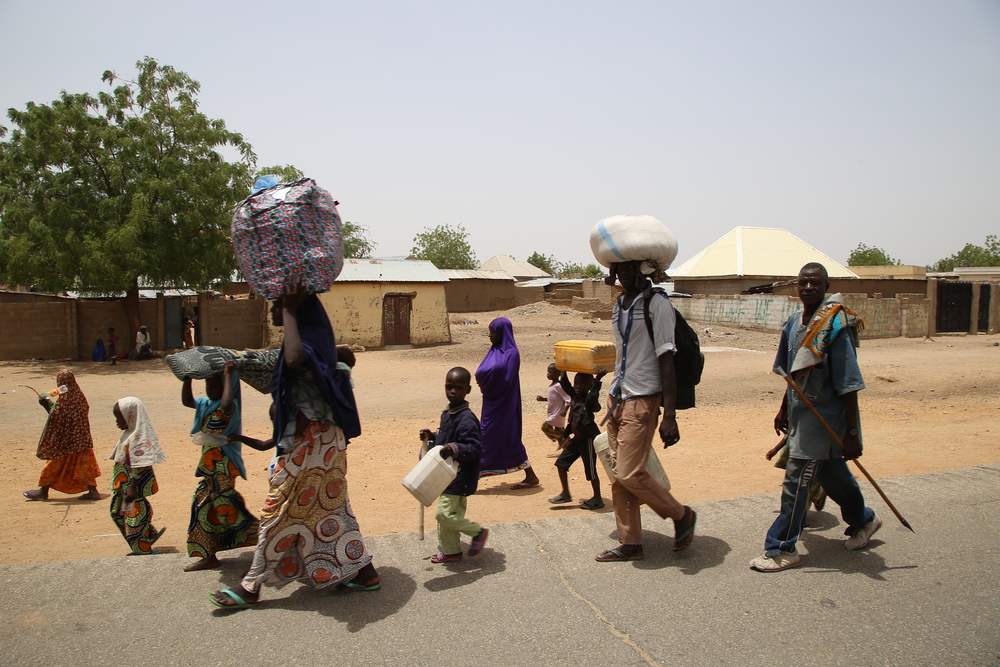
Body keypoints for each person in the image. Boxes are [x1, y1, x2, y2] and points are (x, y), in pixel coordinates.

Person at [209, 284, 378, 609]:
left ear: (298, 308)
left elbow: (294, 357)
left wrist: (289, 307)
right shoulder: (309, 336)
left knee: (278, 510)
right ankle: (366, 572)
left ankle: (251, 585)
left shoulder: (304, 338)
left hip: (313, 442)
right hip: (322, 440)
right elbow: (283, 368)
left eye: (277, 305)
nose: (273, 310)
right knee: (332, 509)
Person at [750, 262, 880, 572]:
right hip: (801, 417)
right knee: (831, 475)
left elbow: (849, 383)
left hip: (825, 421)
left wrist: (851, 433)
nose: (808, 288)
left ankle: (781, 548)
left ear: (825, 286)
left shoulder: (835, 325)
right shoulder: (794, 323)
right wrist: (784, 408)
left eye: (815, 283)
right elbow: (793, 375)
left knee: (796, 482)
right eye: (803, 283)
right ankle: (865, 520)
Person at [596, 260, 695, 562]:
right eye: (619, 269)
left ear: (645, 271)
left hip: (644, 397)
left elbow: (667, 358)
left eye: (631, 268)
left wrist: (670, 415)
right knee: (618, 475)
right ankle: (630, 542)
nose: (624, 274)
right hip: (618, 395)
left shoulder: (657, 304)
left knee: (628, 471)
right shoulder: (618, 305)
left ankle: (681, 515)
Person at [181, 360, 259, 571]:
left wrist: (227, 375)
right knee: (202, 507)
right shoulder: (206, 405)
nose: (209, 389)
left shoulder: (230, 406)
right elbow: (187, 401)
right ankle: (208, 555)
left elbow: (226, 404)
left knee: (227, 507)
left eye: (214, 385)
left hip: (224, 467)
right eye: (207, 385)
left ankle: (269, 538)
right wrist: (186, 378)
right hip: (209, 469)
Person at [419, 367, 489, 563]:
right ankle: (451, 552)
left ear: (468, 390)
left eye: (458, 388)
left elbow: (474, 447)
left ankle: (477, 532)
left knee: (444, 514)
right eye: (449, 387)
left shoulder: (466, 419)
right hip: (446, 476)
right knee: (448, 517)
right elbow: (444, 439)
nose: (453, 391)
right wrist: (432, 437)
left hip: (460, 477)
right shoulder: (448, 414)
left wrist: (453, 448)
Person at [475, 317, 539, 489]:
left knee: (490, 436)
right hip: (490, 404)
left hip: (504, 404)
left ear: (502, 333)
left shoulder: (512, 354)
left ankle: (472, 475)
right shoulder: (493, 351)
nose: (490, 336)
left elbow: (505, 380)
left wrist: (486, 383)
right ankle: (531, 475)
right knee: (505, 438)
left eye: (492, 332)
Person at [23, 369, 102, 501]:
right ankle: (93, 491)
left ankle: (43, 491)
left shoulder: (65, 400)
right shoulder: (79, 396)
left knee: (53, 464)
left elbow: (57, 417)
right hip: (82, 440)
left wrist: (45, 405)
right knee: (84, 466)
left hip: (66, 442)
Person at [109, 397, 167, 555]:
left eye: (119, 418)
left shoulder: (138, 438)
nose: (116, 422)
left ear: (130, 416)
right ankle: (148, 533)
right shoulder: (129, 434)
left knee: (134, 515)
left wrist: (132, 487)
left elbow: (140, 464)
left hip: (132, 487)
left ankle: (142, 549)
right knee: (116, 512)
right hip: (123, 486)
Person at [549, 369, 606, 510]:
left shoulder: (588, 401)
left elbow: (593, 396)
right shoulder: (574, 397)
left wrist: (597, 379)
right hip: (576, 441)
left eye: (582, 385)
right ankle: (565, 494)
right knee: (561, 464)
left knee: (591, 471)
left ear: (589, 387)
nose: (578, 387)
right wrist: (563, 371)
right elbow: (566, 386)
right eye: (576, 384)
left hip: (587, 441)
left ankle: (597, 498)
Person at [536, 363, 570, 453]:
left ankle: (561, 439)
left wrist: (565, 409)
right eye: (548, 372)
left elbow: (569, 400)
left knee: (545, 427)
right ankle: (569, 449)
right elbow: (554, 399)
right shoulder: (553, 385)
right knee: (561, 432)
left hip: (558, 414)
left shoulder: (558, 386)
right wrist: (544, 399)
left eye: (550, 372)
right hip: (555, 413)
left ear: (557, 374)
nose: (548, 374)